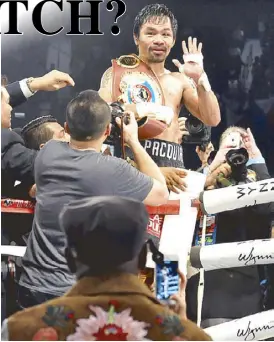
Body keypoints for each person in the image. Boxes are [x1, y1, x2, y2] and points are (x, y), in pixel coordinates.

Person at [18, 89, 169, 308]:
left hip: (32, 288)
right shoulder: (112, 169)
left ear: (67, 128)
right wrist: (133, 142)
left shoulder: (47, 153)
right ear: (107, 130)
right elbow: (161, 194)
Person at [1, 196, 211, 341]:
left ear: (70, 259)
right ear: (140, 260)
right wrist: (179, 324)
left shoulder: (21, 328)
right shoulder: (190, 336)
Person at [99, 4, 220, 172]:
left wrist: (201, 79)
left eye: (166, 34)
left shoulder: (179, 80)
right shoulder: (117, 75)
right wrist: (137, 109)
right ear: (136, 37)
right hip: (129, 167)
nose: (159, 40)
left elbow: (212, 118)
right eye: (150, 33)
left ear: (173, 40)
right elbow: (99, 116)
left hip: (173, 167)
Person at [186, 126, 274, 327]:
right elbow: (184, 200)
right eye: (230, 146)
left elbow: (269, 208)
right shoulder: (204, 181)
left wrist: (256, 158)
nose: (237, 151)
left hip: (246, 289)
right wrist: (212, 167)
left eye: (242, 146)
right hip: (208, 287)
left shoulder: (252, 183)